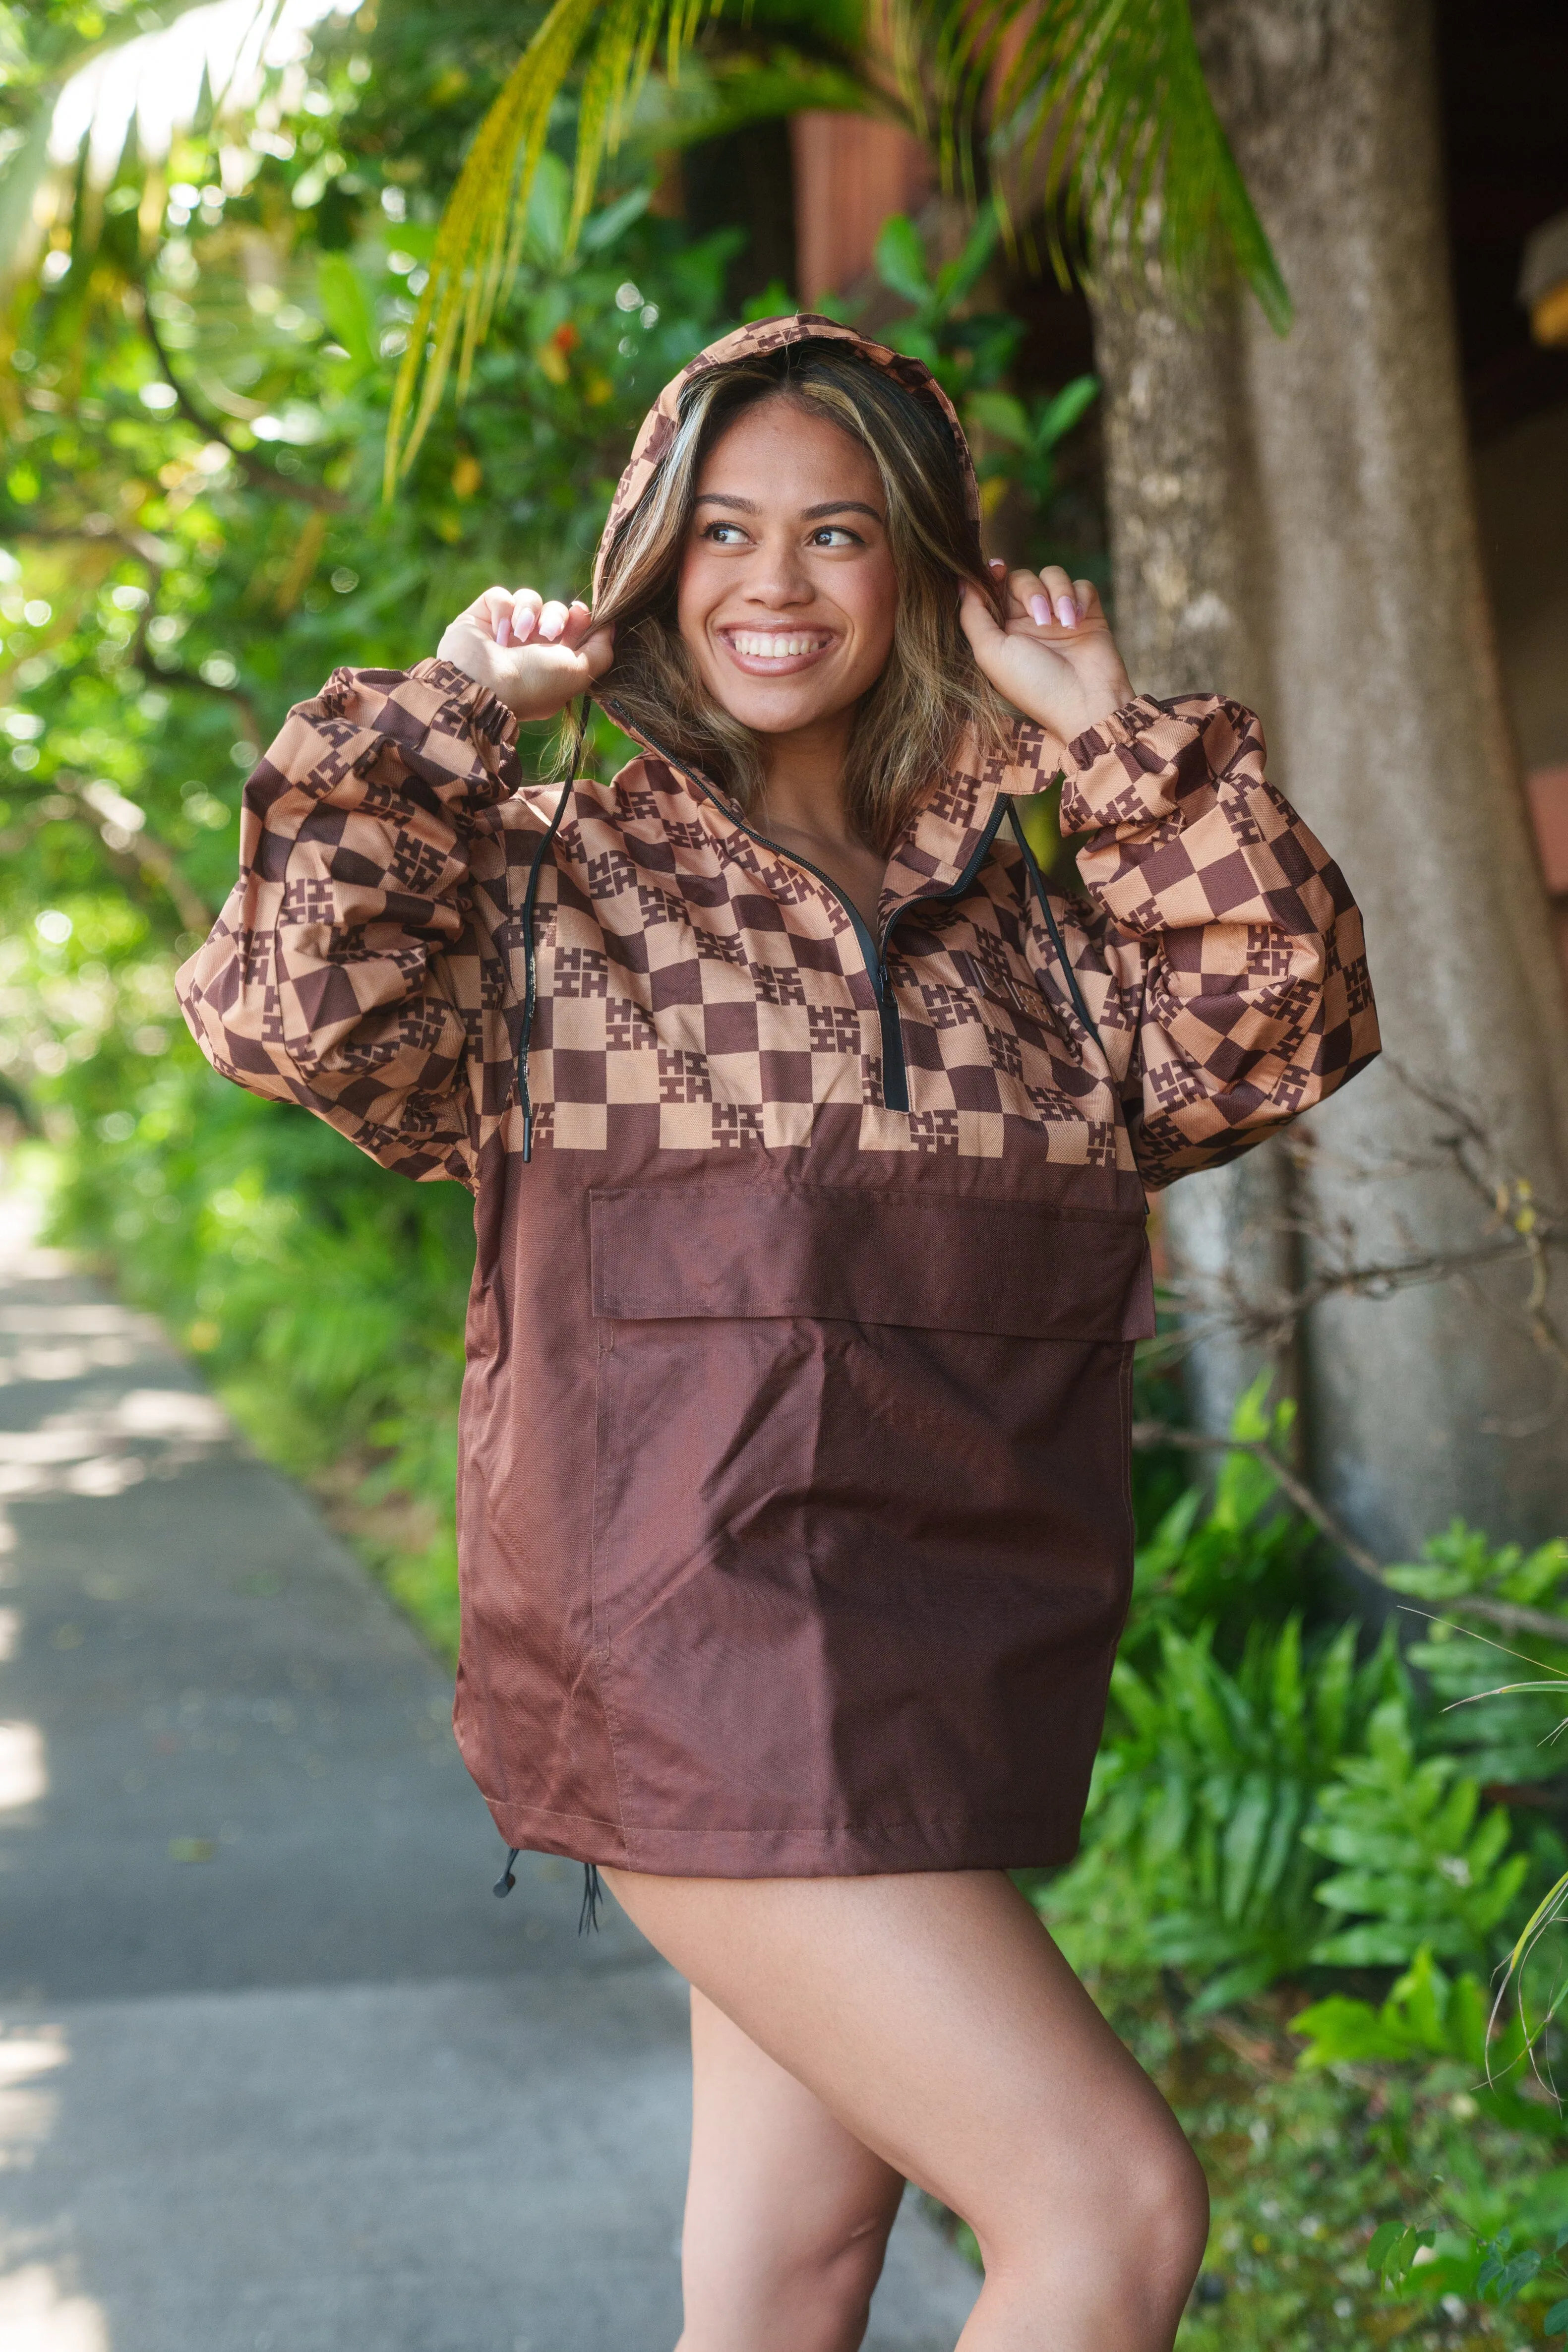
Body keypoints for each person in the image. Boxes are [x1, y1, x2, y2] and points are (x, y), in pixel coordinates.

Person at [177, 316, 1379, 2352]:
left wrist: (1103, 739)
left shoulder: (1042, 944)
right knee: (1109, 2211)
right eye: (722, 530)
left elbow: (1280, 1022)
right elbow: (297, 1002)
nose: (773, 581)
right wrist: (456, 715)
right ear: (650, 561)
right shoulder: (550, 890)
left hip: (951, 1679)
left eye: (836, 534)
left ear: (920, 570)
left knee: (792, 2273)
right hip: (691, 1673)